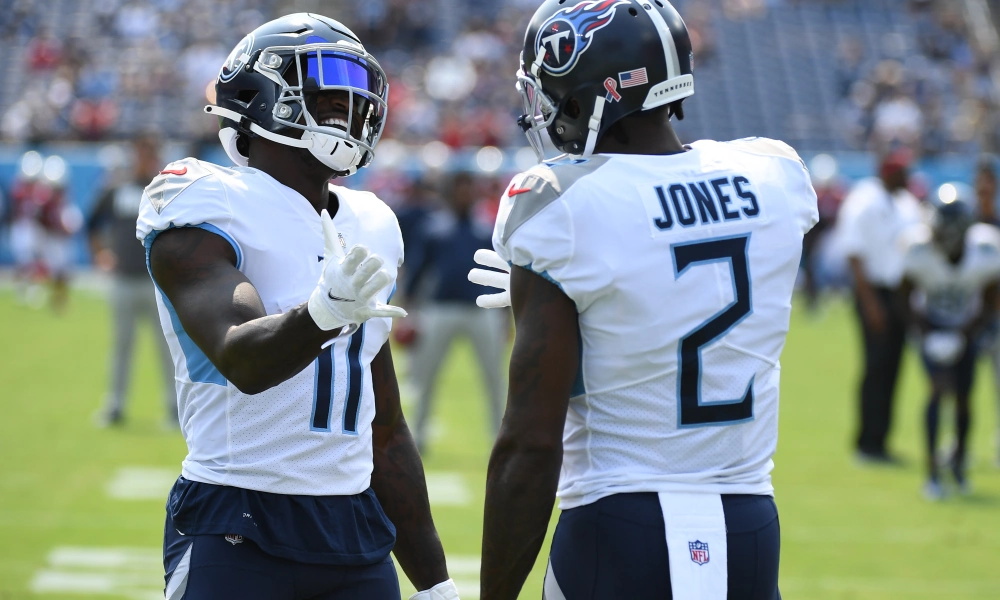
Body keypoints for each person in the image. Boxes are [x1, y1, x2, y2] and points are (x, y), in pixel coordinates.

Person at [467, 1, 817, 598]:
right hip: (749, 528)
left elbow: (530, 443)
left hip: (621, 524)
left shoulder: (559, 203)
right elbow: (680, 276)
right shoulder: (774, 173)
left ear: (586, 93)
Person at [136, 14, 458, 600]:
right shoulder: (206, 200)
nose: (351, 109)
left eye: (359, 96)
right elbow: (243, 357)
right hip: (235, 517)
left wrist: (435, 584)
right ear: (261, 95)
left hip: (355, 530)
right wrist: (324, 312)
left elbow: (382, 430)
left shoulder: (374, 222)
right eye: (331, 91)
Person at [899, 183, 1000, 499]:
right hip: (930, 325)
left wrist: (964, 334)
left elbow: (989, 299)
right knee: (937, 390)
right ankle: (932, 472)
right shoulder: (918, 249)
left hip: (967, 328)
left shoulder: (985, 249)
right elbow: (903, 299)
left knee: (965, 398)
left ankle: (956, 467)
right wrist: (929, 333)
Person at [402, 171, 506, 452]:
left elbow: (500, 272)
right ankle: (418, 438)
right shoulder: (434, 227)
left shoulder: (486, 227)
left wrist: (506, 316)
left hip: (481, 310)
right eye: (459, 188)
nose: (464, 194)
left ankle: (500, 437)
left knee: (495, 378)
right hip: (440, 309)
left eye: (468, 188)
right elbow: (417, 271)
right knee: (425, 377)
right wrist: (409, 310)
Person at [837, 150, 922, 463]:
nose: (906, 176)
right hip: (873, 290)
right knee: (876, 367)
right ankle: (867, 443)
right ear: (886, 173)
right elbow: (855, 256)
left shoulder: (904, 202)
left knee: (893, 367)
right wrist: (871, 304)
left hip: (899, 292)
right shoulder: (864, 200)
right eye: (901, 172)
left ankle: (882, 441)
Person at [89, 135, 177, 428]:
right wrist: (101, 254)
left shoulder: (166, 190)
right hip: (124, 279)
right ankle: (115, 405)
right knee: (121, 345)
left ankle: (175, 408)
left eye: (149, 153)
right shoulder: (117, 188)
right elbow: (92, 222)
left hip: (159, 283)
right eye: (140, 152)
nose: (144, 159)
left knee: (168, 348)